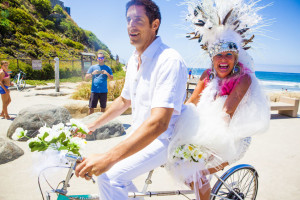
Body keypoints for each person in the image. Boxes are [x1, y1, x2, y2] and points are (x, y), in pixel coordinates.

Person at [75, 0, 187, 199]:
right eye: (128, 19)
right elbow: (124, 100)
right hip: (137, 133)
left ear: (155, 24)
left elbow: (159, 123)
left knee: (109, 176)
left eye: (138, 19)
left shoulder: (169, 60)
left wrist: (108, 158)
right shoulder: (134, 58)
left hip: (162, 140)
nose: (131, 25)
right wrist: (92, 125)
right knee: (112, 178)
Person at [166, 0, 271, 199]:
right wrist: (173, 120)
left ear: (236, 57)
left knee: (196, 174)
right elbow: (193, 101)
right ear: (212, 58)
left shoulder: (244, 78)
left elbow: (227, 112)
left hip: (232, 134)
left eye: (229, 55)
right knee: (173, 161)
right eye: (218, 55)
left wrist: (206, 144)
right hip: (203, 128)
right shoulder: (207, 75)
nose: (223, 60)